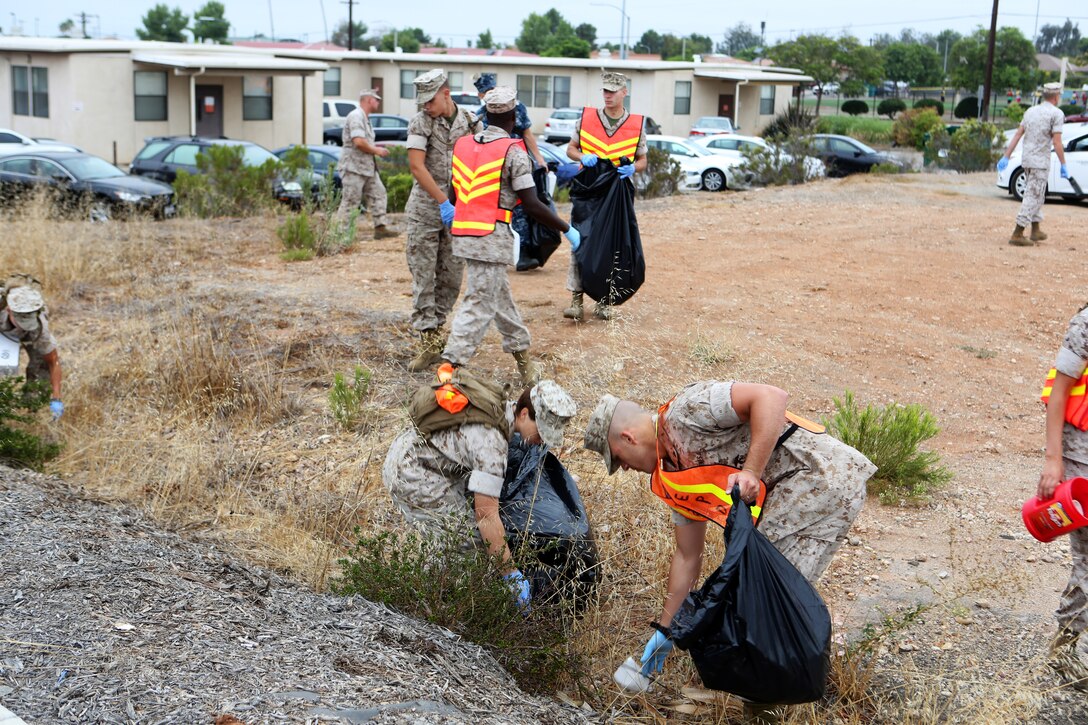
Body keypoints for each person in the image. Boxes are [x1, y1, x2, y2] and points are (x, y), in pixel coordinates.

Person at [583, 381, 875, 721]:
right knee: (754, 610)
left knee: (758, 607)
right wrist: (665, 631)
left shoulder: (687, 412)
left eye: (619, 459)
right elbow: (686, 557)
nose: (627, 469)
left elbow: (771, 396)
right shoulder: (671, 477)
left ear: (628, 438)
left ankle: (768, 704)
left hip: (820, 477)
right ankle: (764, 701)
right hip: (791, 498)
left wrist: (750, 471)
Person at [383, 370, 576, 609]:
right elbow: (485, 515)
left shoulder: (501, 407)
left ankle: (430, 591)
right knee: (465, 545)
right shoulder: (492, 445)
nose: (543, 441)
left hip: (419, 455)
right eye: (542, 432)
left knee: (455, 538)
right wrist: (511, 574)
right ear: (524, 414)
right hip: (415, 473)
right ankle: (434, 609)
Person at [441, 86, 581, 386]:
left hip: (465, 234)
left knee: (501, 301)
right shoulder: (513, 152)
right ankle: (449, 367)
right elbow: (531, 204)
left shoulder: (463, 146)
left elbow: (453, 196)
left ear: (487, 115)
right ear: (515, 116)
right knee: (479, 302)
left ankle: (525, 364)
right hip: (491, 238)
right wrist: (566, 228)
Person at [404, 69, 482, 372]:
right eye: (421, 100)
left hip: (459, 212)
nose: (426, 105)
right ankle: (429, 341)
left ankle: (437, 330)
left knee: (450, 277)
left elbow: (480, 160)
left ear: (446, 93)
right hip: (426, 210)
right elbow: (416, 166)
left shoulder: (471, 122)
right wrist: (442, 200)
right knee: (424, 276)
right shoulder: (420, 121)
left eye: (430, 99)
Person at [564, 71, 648, 322]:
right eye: (605, 91)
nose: (608, 95)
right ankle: (576, 300)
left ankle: (604, 301)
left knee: (613, 247)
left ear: (625, 92)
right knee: (581, 242)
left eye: (613, 91)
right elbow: (571, 149)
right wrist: (581, 157)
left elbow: (642, 159)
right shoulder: (588, 118)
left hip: (617, 194)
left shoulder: (636, 124)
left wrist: (633, 168)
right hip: (588, 193)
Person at [1037, 305, 1088, 690]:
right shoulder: (1085, 323)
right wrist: (1053, 461)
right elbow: (1059, 393)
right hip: (1079, 459)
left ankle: (1068, 648)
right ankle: (1068, 652)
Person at [998, 82, 1068, 247]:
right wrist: (1064, 164)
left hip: (1027, 160)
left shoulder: (1030, 111)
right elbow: (1057, 143)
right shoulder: (1056, 114)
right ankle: (1017, 233)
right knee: (1033, 196)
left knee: (1037, 194)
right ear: (1056, 97)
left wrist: (1006, 156)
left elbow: (1018, 134)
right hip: (1040, 162)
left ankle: (1035, 229)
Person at [336, 89, 396, 239]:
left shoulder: (364, 118)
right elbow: (358, 141)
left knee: (379, 194)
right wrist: (377, 151)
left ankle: (380, 227)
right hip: (353, 168)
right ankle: (341, 235)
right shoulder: (356, 116)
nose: (378, 103)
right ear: (369, 100)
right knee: (350, 201)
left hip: (366, 167)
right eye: (376, 100)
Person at [1, 283, 63, 420]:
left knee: (42, 366)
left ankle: (31, 406)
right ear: (9, 310)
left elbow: (53, 362)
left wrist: (56, 398)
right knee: (4, 367)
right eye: (21, 321)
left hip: (29, 335)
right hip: (3, 331)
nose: (25, 326)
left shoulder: (39, 328)